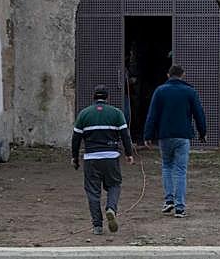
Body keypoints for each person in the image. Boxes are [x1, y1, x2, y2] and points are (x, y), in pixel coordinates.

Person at [142, 65, 206, 218]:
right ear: (182, 75)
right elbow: (199, 113)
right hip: (183, 136)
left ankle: (169, 199)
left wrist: (148, 135)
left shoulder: (160, 91)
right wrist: (202, 133)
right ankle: (180, 207)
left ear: (168, 75)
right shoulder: (190, 91)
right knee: (180, 171)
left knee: (167, 166)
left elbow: (152, 115)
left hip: (165, 135)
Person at [71, 85, 135, 237]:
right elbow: (125, 135)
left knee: (93, 192)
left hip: (91, 158)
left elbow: (76, 138)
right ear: (107, 98)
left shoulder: (84, 114)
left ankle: (97, 226)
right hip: (111, 157)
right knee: (114, 184)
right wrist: (128, 153)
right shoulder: (117, 113)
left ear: (94, 97)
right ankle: (111, 208)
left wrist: (75, 157)